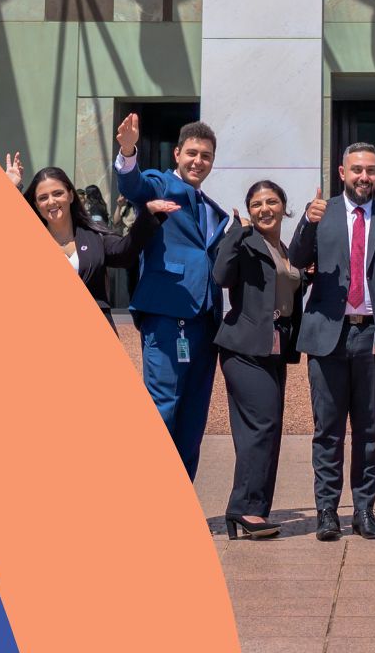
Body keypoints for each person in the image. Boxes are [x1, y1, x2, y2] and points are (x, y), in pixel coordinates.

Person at [290, 141, 375, 541]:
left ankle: (363, 510)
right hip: (329, 334)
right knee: (328, 429)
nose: (364, 176)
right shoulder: (322, 213)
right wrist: (306, 221)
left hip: (373, 334)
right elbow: (296, 259)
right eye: (357, 169)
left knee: (369, 429)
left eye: (370, 170)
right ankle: (327, 510)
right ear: (342, 173)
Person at [113, 111, 229, 486]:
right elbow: (134, 185)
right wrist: (128, 151)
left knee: (193, 418)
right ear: (177, 153)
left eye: (206, 156)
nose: (198, 161)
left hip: (205, 320)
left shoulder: (211, 207)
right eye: (192, 153)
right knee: (162, 409)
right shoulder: (160, 184)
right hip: (167, 315)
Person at [212, 181, 305, 540]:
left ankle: (256, 509)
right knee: (262, 425)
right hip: (244, 348)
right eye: (256, 204)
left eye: (271, 201)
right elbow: (221, 276)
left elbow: (284, 292)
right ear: (249, 210)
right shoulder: (247, 242)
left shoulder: (284, 248)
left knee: (267, 427)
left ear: (283, 206)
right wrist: (236, 233)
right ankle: (243, 507)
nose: (264, 208)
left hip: (275, 346)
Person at [2, 152, 158, 311]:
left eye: (57, 193)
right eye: (43, 197)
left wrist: (148, 215)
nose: (51, 201)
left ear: (70, 196)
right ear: (36, 204)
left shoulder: (95, 236)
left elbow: (125, 252)